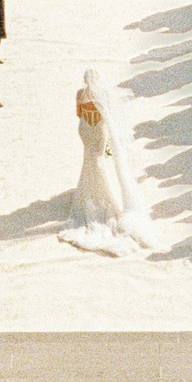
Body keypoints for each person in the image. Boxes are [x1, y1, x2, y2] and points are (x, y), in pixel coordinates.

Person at [61, 69, 157, 253]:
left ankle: (89, 187)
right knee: (99, 160)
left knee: (89, 158)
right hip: (98, 129)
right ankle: (102, 190)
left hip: (84, 129)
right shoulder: (103, 94)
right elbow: (109, 117)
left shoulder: (80, 93)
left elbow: (78, 113)